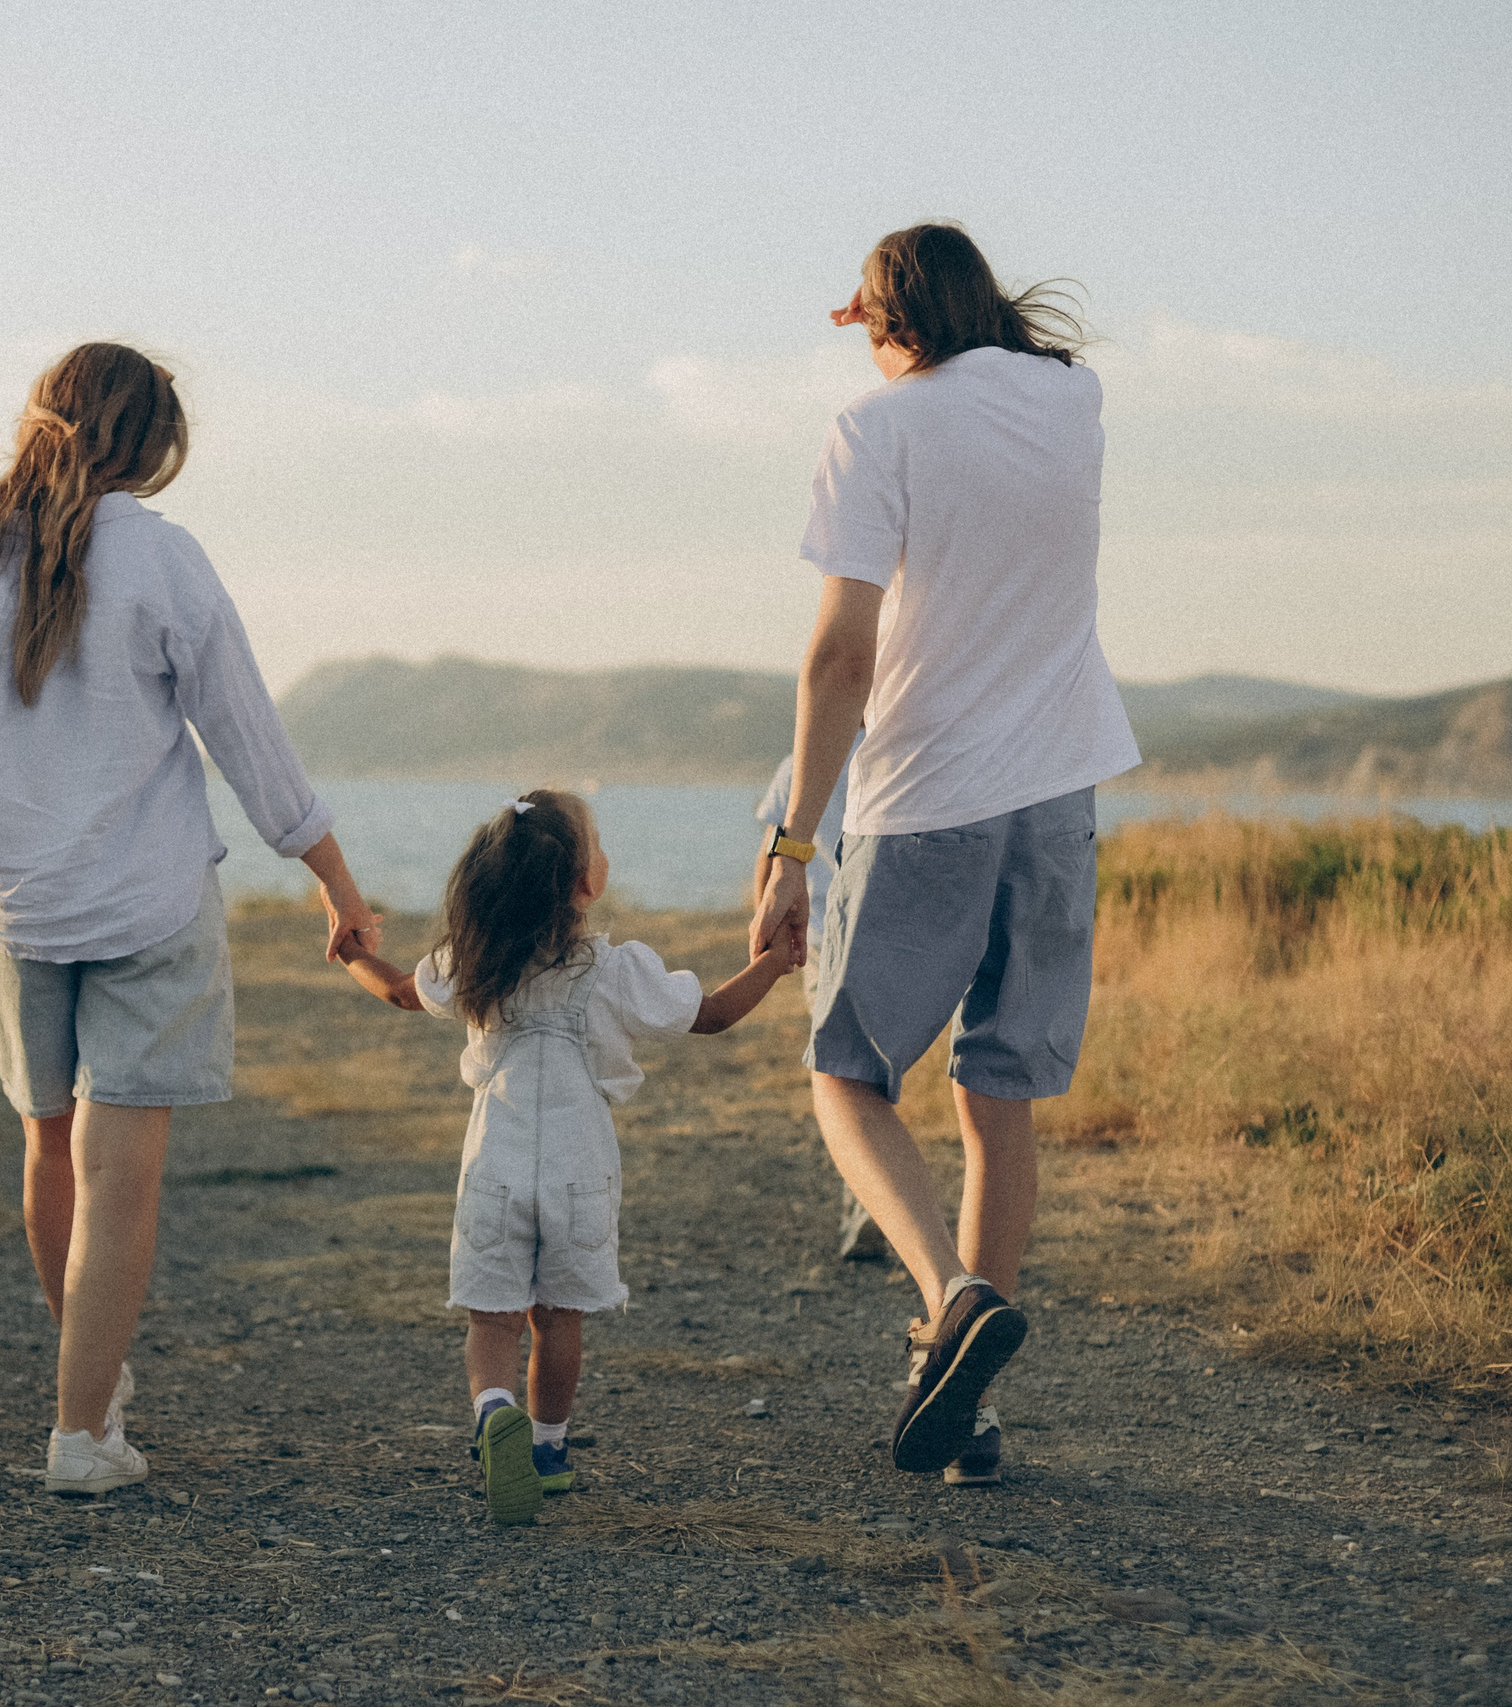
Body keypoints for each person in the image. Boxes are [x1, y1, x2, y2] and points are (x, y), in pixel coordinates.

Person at [0, 342, 379, 1496]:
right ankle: (80, 1430)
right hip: (148, 905)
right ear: (149, 446)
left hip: (10, 908)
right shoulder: (163, 560)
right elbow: (249, 738)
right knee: (120, 1180)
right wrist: (337, 887)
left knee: (48, 1144)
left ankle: (90, 1386)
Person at [751, 224, 1140, 1488]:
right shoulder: (1075, 402)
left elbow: (840, 658)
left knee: (846, 1072)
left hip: (925, 798)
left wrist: (793, 840)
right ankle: (959, 1412)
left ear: (885, 318)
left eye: (864, 325)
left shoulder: (881, 430)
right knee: (998, 1101)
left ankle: (947, 1294)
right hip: (1058, 794)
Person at [336, 790, 796, 1523]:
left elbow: (397, 991)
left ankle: (493, 1413)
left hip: (496, 1162)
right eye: (599, 843)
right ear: (585, 882)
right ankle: (547, 1449)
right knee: (559, 1318)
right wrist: (772, 966)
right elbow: (706, 1014)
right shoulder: (614, 971)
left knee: (492, 1322)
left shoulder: (478, 958)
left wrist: (354, 948)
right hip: (580, 1170)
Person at [750, 733, 879, 1260]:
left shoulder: (801, 760)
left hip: (823, 937)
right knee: (869, 1072)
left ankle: (866, 1205)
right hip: (884, 935)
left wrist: (761, 923)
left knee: (839, 1074)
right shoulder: (898, 753)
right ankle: (871, 1202)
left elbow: (774, 850)